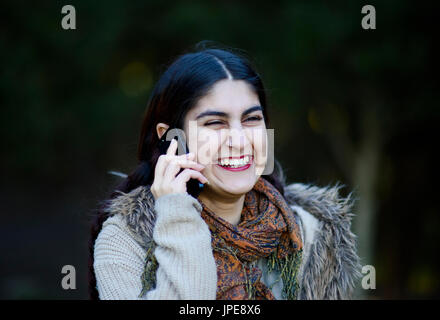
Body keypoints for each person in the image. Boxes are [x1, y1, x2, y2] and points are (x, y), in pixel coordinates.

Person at [88, 43, 361, 300]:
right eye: (215, 122)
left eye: (252, 119)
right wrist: (177, 215)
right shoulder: (125, 242)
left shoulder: (309, 235)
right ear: (171, 137)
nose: (239, 140)